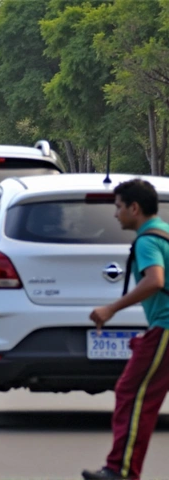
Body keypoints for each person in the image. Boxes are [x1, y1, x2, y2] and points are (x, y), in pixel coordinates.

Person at [83, 179, 169, 480]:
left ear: (135, 208)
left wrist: (111, 308)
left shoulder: (148, 240)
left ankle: (120, 471)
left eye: (119, 207)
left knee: (132, 395)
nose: (116, 214)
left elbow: (155, 280)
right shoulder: (166, 234)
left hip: (166, 328)